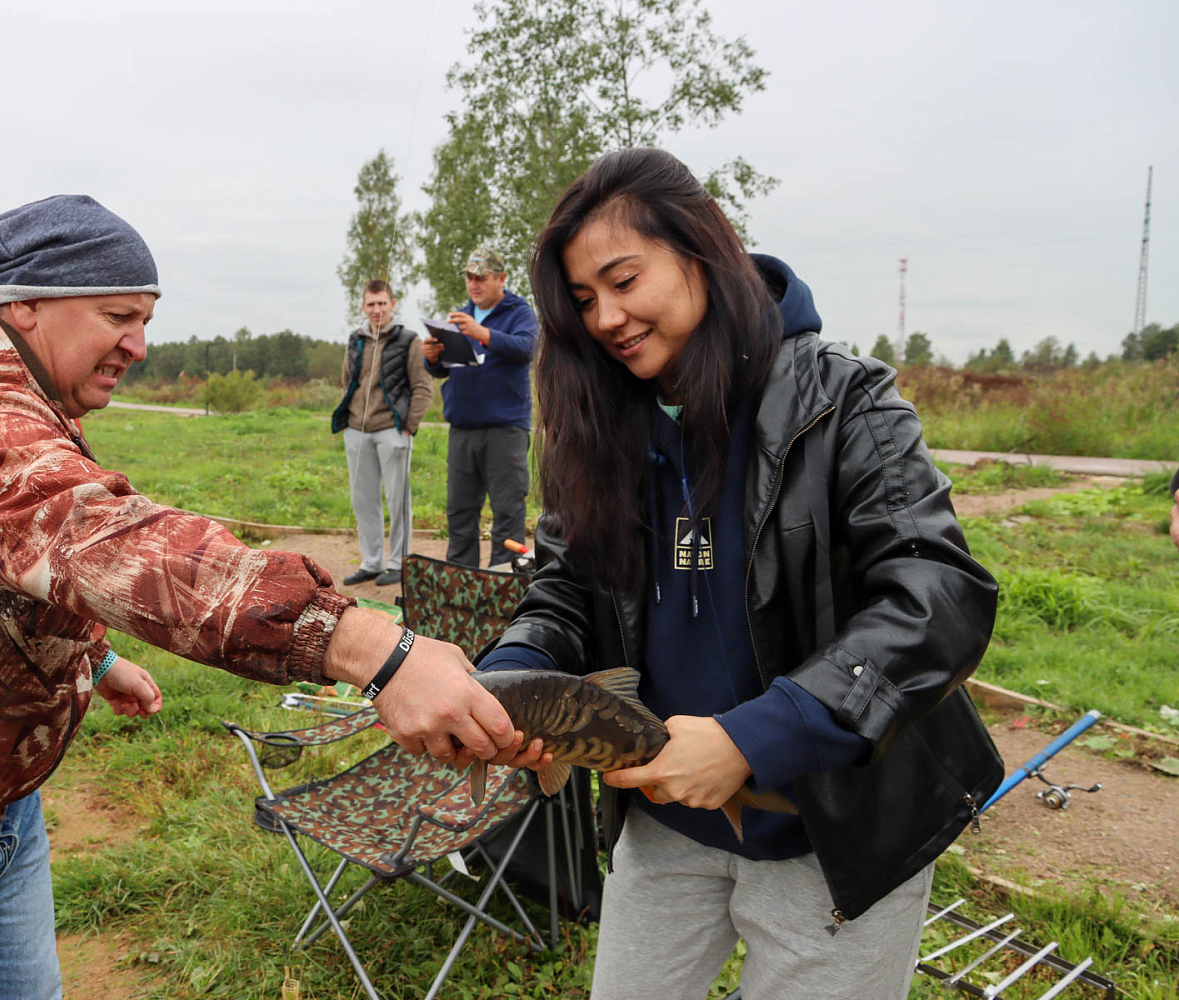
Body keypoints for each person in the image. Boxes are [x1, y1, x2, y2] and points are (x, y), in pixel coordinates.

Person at [0, 195, 528, 999]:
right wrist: (376, 649)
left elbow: (18, 562)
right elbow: (112, 543)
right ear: (25, 303)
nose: (139, 343)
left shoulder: (24, 396)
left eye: (146, 317)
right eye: (118, 315)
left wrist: (95, 655)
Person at [474, 149, 1003, 1000]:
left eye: (623, 279)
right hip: (661, 821)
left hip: (834, 833)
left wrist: (753, 738)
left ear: (700, 252)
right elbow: (566, 591)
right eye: (582, 301)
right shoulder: (598, 429)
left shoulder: (847, 402)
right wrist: (507, 685)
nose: (606, 317)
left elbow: (938, 597)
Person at [422, 247, 538, 567]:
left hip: (505, 429)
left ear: (502, 278)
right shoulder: (460, 315)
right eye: (469, 278)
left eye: (481, 278)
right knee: (459, 514)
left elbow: (527, 348)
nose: (473, 284)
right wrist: (431, 358)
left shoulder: (519, 312)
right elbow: (444, 368)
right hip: (462, 430)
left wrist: (482, 333)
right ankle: (461, 589)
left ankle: (504, 590)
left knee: (507, 513)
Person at [332, 280, 433, 587]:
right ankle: (372, 562)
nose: (377, 309)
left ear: (393, 304)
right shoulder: (355, 339)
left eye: (382, 303)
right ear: (363, 306)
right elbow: (346, 380)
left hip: (393, 430)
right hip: (357, 430)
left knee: (398, 499)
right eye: (371, 304)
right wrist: (349, 419)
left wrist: (408, 426)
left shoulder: (410, 340)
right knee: (363, 499)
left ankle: (398, 563)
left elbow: (423, 388)